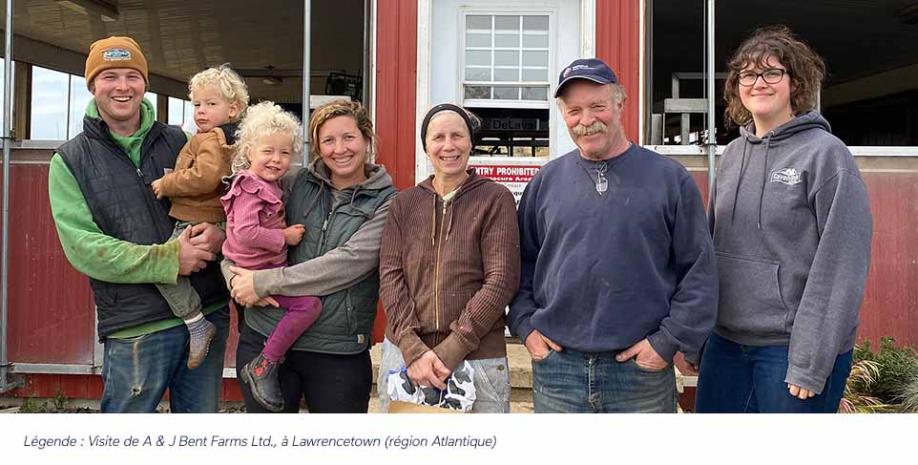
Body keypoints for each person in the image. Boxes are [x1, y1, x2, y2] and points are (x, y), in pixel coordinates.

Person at [507, 58, 717, 413]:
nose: (586, 120)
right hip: (559, 371)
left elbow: (698, 272)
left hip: (640, 374)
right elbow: (521, 264)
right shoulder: (546, 182)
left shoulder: (669, 179)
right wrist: (526, 326)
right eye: (574, 111)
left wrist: (667, 342)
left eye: (597, 106)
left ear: (620, 104)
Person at [695, 26, 872, 413]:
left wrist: (810, 361)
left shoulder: (826, 155)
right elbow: (711, 249)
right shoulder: (733, 154)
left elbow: (842, 264)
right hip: (725, 344)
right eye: (748, 74)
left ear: (796, 82)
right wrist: (698, 334)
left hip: (790, 349)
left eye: (772, 72)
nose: (759, 82)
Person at [48, 36, 229, 413]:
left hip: (207, 313)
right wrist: (167, 260)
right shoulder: (70, 161)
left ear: (144, 83)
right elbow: (86, 249)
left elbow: (223, 201)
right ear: (92, 85)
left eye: (132, 75)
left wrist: (220, 234)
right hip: (136, 328)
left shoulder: (180, 140)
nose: (122, 86)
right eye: (109, 76)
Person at [225, 100, 396, 413]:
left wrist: (264, 281)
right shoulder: (293, 183)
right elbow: (239, 231)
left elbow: (348, 263)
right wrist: (233, 276)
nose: (339, 149)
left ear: (366, 140)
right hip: (265, 338)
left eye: (349, 137)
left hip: (336, 351)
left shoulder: (387, 202)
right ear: (317, 147)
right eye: (328, 140)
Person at [376, 104, 520, 413]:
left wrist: (450, 350)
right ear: (426, 146)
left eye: (457, 135)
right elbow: (390, 276)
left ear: (471, 142)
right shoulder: (403, 204)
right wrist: (413, 349)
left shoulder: (495, 199)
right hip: (405, 355)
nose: (448, 145)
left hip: (477, 355)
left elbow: (500, 280)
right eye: (438, 137)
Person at [221, 101, 322, 412]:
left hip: (258, 269)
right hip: (256, 270)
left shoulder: (269, 185)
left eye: (285, 153)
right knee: (308, 306)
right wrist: (285, 237)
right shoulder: (251, 188)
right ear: (249, 152)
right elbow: (245, 233)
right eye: (268, 151)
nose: (276, 160)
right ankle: (265, 364)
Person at [149, 64, 248, 370]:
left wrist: (167, 183)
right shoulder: (229, 137)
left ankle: (195, 323)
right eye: (196, 104)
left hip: (194, 219)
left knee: (160, 268)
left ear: (233, 109)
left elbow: (206, 177)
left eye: (210, 104)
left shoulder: (211, 139)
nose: (201, 112)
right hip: (214, 218)